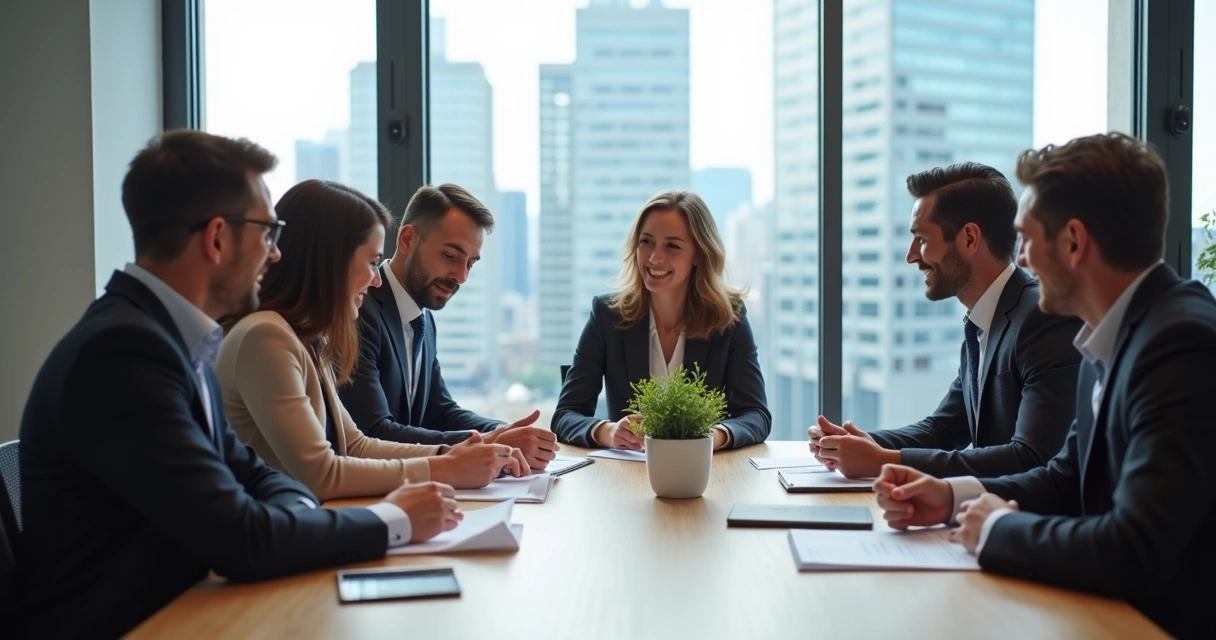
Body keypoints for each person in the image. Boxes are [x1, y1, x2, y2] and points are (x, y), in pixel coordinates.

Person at [13, 131, 463, 638]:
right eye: (268, 233)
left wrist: (292, 511)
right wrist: (390, 521)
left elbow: (257, 478)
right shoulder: (122, 353)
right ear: (218, 238)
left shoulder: (177, 338)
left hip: (182, 608)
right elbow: (242, 537)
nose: (275, 255)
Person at [873, 133, 1216, 640]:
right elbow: (1064, 478)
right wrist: (949, 498)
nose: (1023, 261)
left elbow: (1135, 548)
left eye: (1028, 239)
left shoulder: (1179, 343)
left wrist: (995, 528)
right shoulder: (1113, 333)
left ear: (1074, 242)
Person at [217, 180, 527, 502]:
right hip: (272, 534)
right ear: (329, 261)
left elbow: (355, 445)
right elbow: (322, 475)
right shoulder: (266, 337)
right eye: (370, 262)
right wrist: (446, 468)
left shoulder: (305, 339)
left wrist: (452, 453)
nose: (376, 277)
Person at [809, 163, 1081, 479]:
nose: (911, 256)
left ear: (968, 238)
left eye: (921, 239)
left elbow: (1033, 457)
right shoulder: (983, 320)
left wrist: (885, 461)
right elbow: (945, 428)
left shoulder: (1043, 318)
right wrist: (852, 444)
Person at [339, 184, 559, 470]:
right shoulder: (360, 311)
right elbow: (373, 430)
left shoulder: (423, 320)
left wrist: (506, 431)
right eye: (451, 256)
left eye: (471, 263)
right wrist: (492, 441)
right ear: (407, 239)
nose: (461, 276)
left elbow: (439, 410)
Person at [552, 190, 771, 450]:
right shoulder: (607, 314)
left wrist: (713, 437)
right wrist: (609, 432)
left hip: (704, 473)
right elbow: (565, 414)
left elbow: (756, 414)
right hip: (626, 475)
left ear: (699, 254)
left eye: (672, 246)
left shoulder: (728, 317)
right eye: (646, 242)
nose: (655, 258)